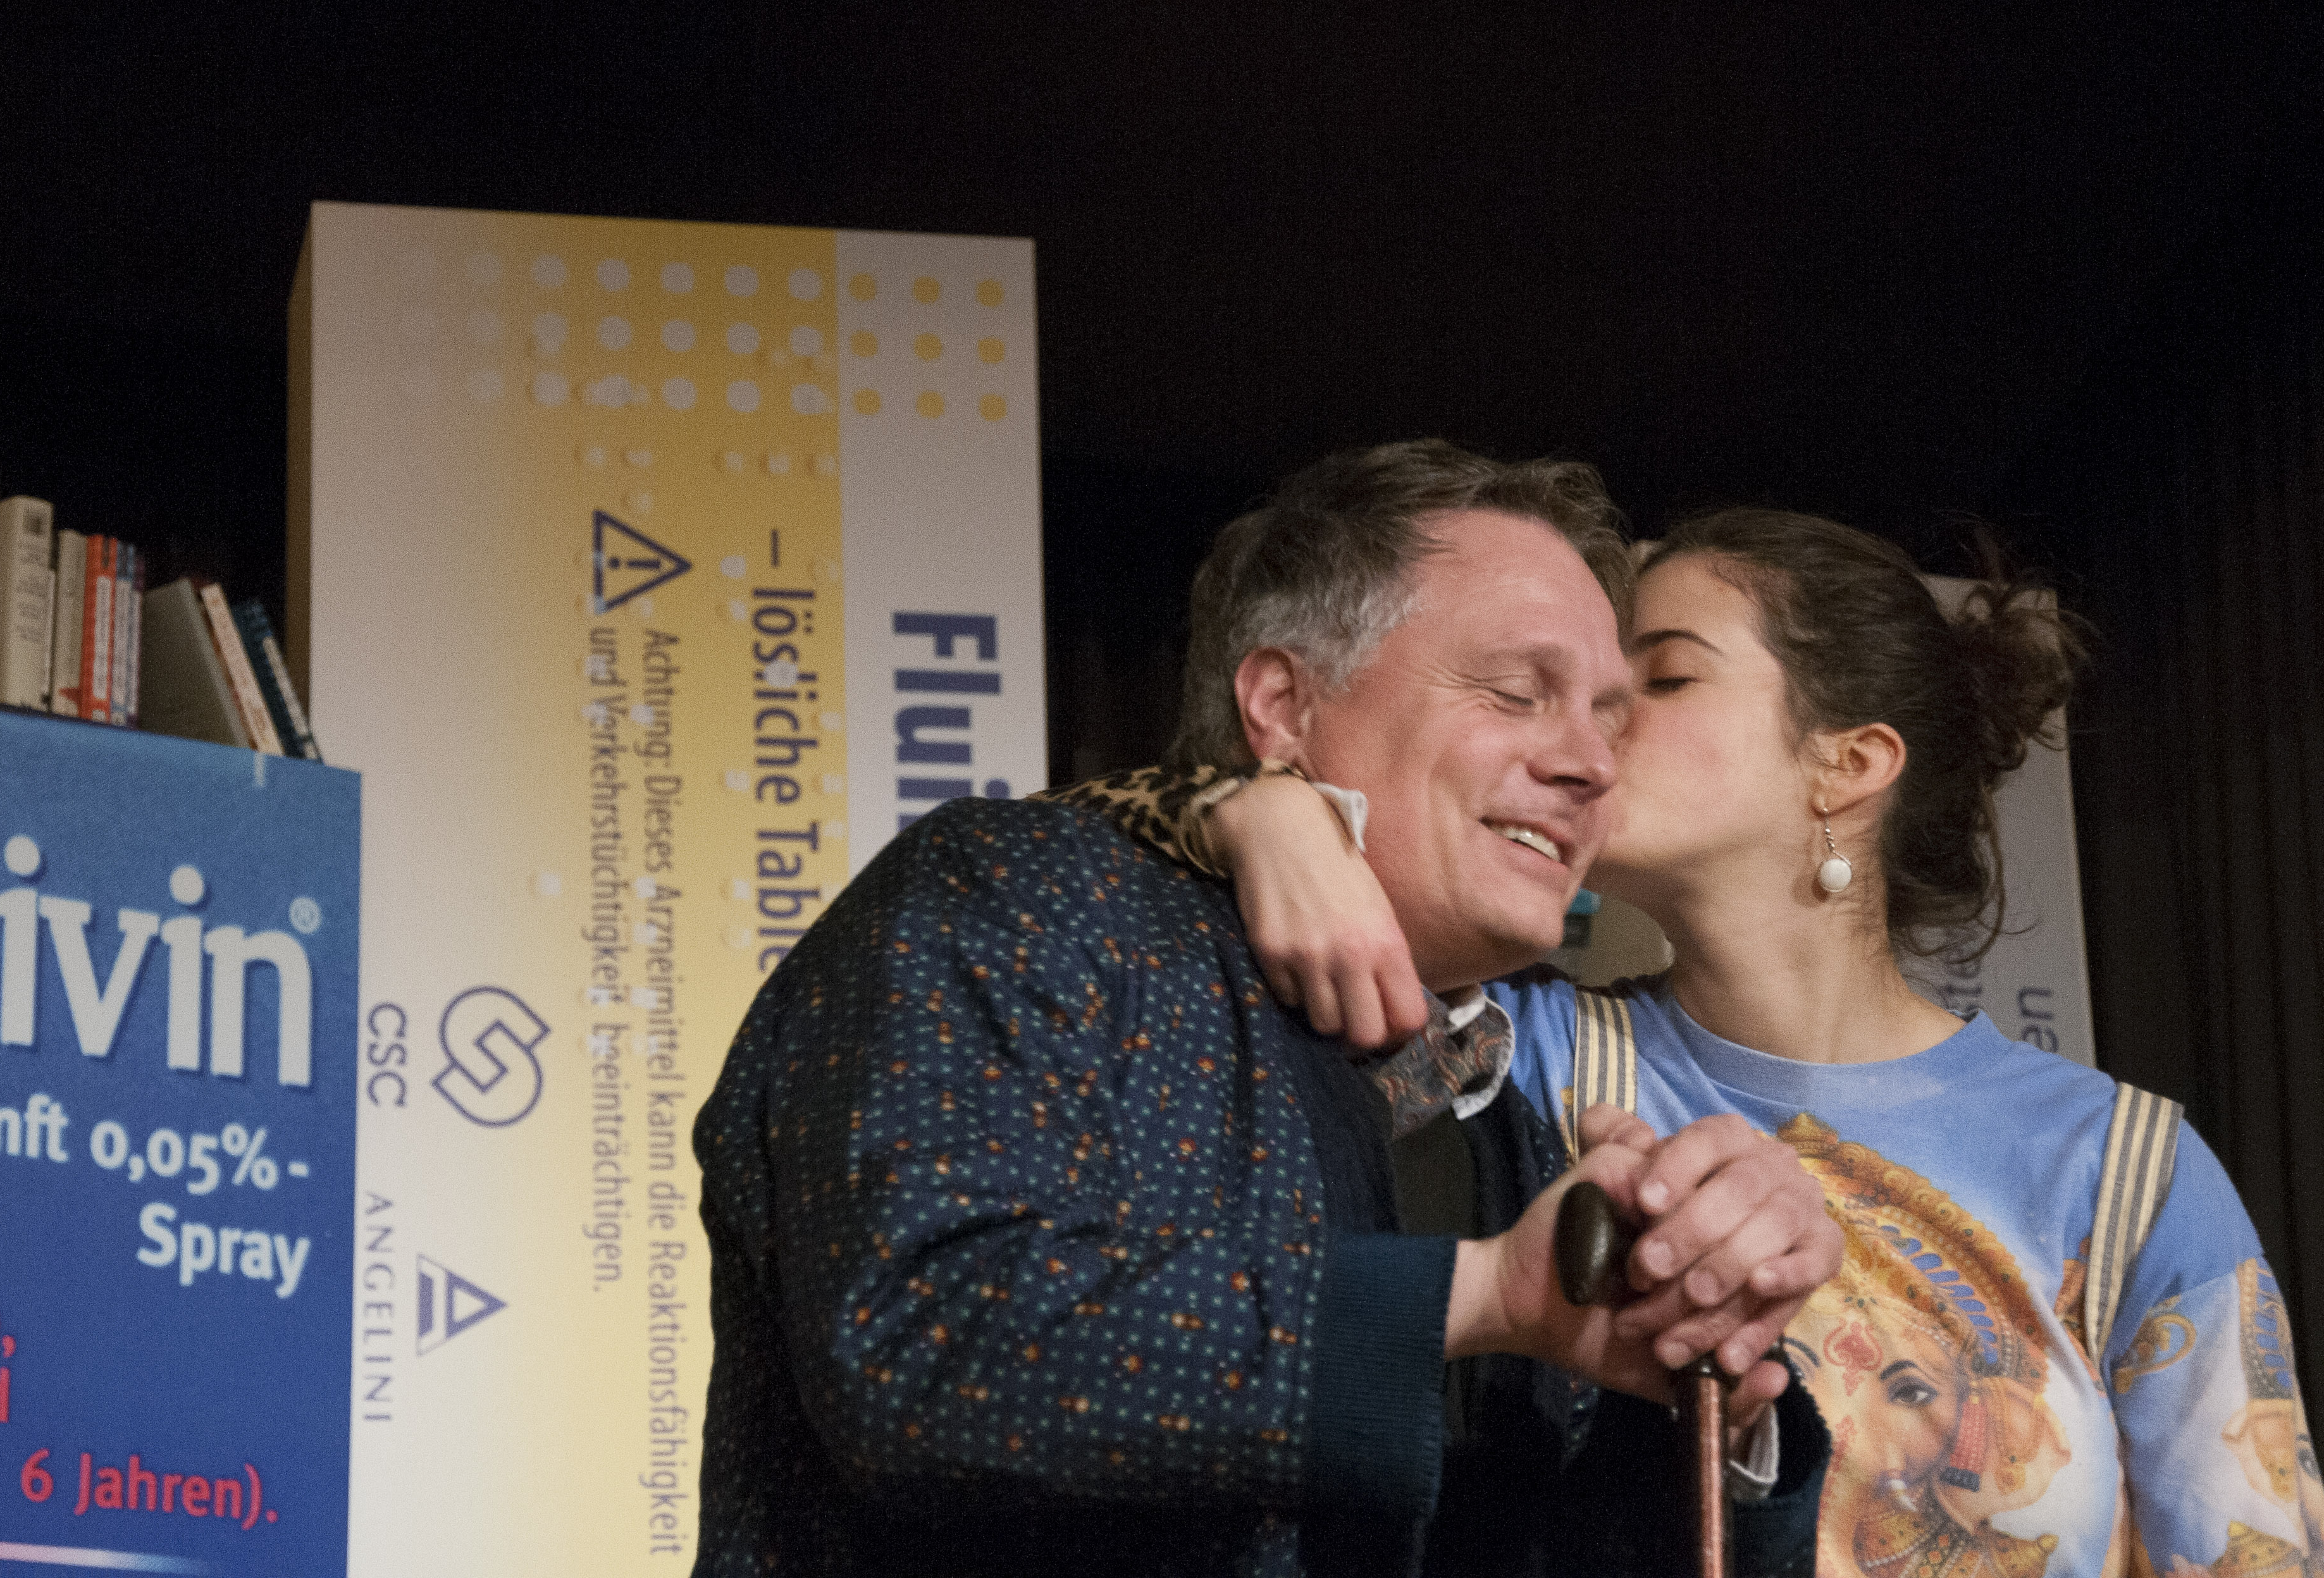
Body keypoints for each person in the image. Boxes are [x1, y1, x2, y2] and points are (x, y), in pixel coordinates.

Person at [1083, 506, 2324, 1576]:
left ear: (1850, 764)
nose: (1593, 728)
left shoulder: (2123, 1165)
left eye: (1660, 681)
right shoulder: (1514, 1057)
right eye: (1575, 688)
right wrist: (1241, 807)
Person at [691, 444, 1845, 1578]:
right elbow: (926, 1343)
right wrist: (1479, 1296)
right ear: (1284, 706)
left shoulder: (1519, 1127)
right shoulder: (1020, 897)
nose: (1592, 764)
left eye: (1609, 719)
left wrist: (1717, 1388)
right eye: (1515, 693)